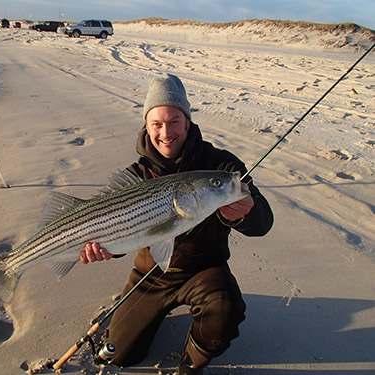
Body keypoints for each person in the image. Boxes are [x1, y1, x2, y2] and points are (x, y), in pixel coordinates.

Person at [79, 74, 273, 374]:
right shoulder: (137, 174)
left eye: (174, 121)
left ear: (187, 122)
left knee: (225, 309)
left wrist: (246, 213)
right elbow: (120, 231)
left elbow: (263, 222)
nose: (166, 132)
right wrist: (105, 248)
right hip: (150, 275)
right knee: (118, 356)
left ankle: (190, 364)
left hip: (204, 271)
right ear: (147, 126)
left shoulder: (222, 167)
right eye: (157, 123)